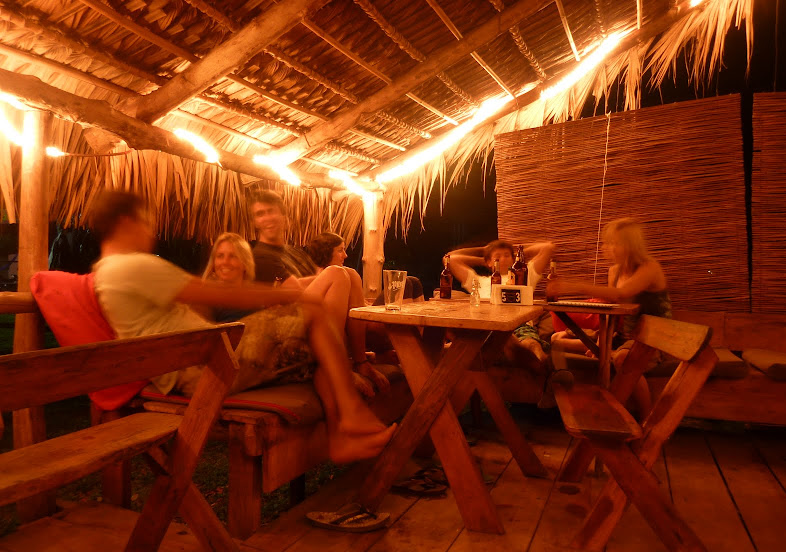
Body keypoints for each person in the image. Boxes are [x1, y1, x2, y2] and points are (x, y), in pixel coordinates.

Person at [91, 190, 396, 464]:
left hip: (206, 361)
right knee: (314, 311)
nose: (151, 231)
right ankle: (352, 413)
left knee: (319, 348)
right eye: (146, 223)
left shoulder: (108, 271)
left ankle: (341, 437)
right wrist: (284, 296)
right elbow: (218, 293)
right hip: (209, 367)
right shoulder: (132, 266)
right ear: (126, 221)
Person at [249, 191, 389, 396]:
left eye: (271, 211)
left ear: (283, 215)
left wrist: (324, 279)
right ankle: (338, 363)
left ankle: (360, 361)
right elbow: (294, 292)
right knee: (337, 273)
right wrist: (328, 279)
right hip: (280, 329)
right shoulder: (261, 255)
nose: (267, 218)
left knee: (349, 273)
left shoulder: (288, 253)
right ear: (255, 221)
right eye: (260, 214)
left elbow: (295, 285)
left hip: (293, 313)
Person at [545, 217, 672, 417]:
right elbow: (613, 309)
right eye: (606, 242)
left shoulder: (649, 267)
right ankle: (604, 354)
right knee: (556, 340)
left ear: (630, 245)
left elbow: (620, 294)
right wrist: (602, 338)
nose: (605, 247)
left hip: (652, 338)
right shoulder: (614, 271)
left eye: (613, 243)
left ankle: (647, 417)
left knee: (622, 358)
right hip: (624, 335)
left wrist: (574, 286)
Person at [446, 239, 556, 377]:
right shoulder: (479, 281)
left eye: (506, 255)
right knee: (490, 338)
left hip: (520, 325)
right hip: (488, 325)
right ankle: (513, 347)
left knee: (531, 344)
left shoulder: (524, 275)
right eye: (498, 257)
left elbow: (547, 247)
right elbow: (451, 259)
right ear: (488, 262)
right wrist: (484, 252)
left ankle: (541, 364)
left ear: (513, 258)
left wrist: (519, 251)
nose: (503, 259)